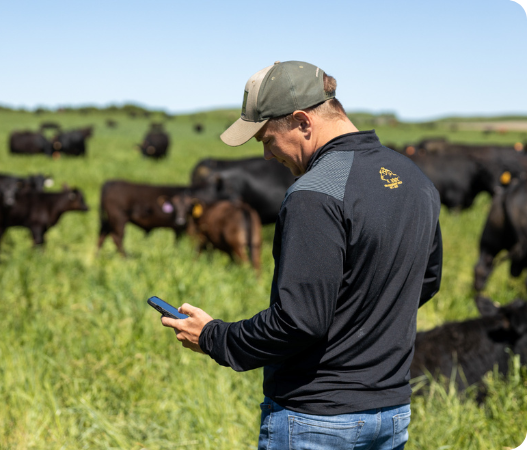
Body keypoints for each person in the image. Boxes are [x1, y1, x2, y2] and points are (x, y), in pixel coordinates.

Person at [161, 60, 442, 450]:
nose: (266, 156)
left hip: (317, 420)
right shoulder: (414, 178)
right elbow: (424, 282)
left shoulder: (315, 192)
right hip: (392, 414)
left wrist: (214, 337)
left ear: (302, 122)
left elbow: (298, 322)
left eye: (266, 139)